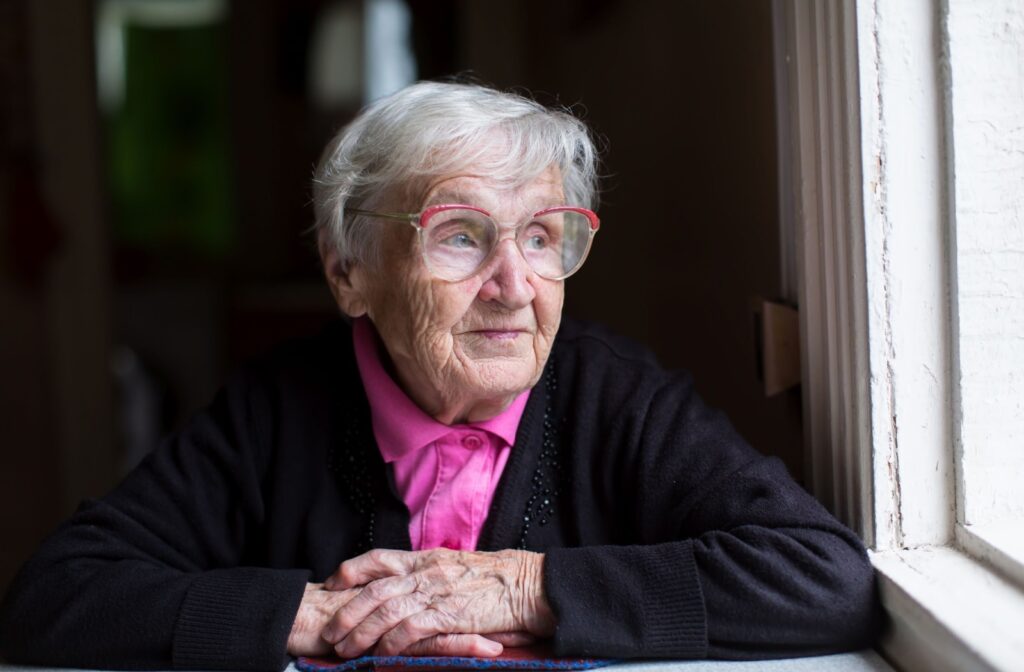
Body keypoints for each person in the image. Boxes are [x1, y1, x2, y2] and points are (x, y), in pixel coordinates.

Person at [0, 81, 879, 671]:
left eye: (541, 236)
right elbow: (57, 595)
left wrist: (522, 587)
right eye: (460, 233)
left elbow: (823, 577)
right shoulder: (276, 410)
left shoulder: (616, 395)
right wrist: (310, 614)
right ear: (349, 270)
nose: (514, 284)